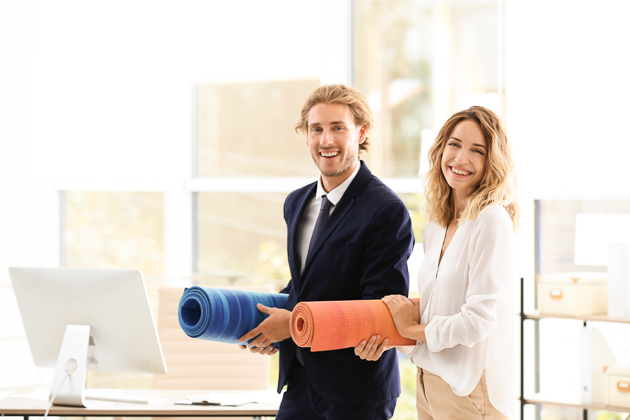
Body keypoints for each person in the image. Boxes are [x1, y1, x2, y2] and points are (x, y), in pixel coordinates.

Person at [237, 84, 415, 419]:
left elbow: (381, 307)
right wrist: (264, 327)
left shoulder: (385, 210)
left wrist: (291, 326)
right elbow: (305, 286)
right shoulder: (297, 203)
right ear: (306, 136)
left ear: (361, 132)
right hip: (301, 379)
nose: (326, 140)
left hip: (356, 388)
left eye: (338, 128)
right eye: (316, 129)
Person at [382, 106, 519, 419]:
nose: (460, 159)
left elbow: (478, 320)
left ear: (492, 162)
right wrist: (400, 330)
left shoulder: (491, 220)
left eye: (477, 151)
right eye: (454, 144)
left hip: (468, 389)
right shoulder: (438, 222)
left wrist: (411, 328)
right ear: (441, 148)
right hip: (428, 380)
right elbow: (439, 307)